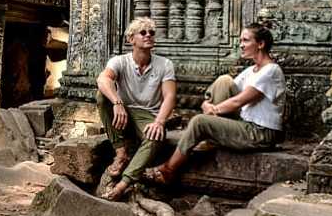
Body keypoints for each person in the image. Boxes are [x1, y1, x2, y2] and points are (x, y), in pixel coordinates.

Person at [144, 23, 286, 184]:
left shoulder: (271, 71)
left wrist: (213, 111)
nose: (241, 45)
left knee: (199, 121)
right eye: (240, 40)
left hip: (261, 133)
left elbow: (238, 101)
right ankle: (210, 136)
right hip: (246, 124)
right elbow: (225, 92)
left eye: (246, 40)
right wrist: (206, 104)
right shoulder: (251, 71)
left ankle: (168, 169)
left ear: (260, 44)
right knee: (224, 80)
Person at [96, 17, 177, 200]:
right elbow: (102, 79)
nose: (148, 35)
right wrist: (117, 103)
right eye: (143, 32)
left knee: (157, 135)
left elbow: (170, 96)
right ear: (131, 39)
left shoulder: (165, 64)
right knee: (102, 96)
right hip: (123, 112)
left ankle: (124, 183)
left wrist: (159, 122)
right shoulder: (119, 61)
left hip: (148, 114)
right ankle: (121, 153)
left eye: (151, 33)